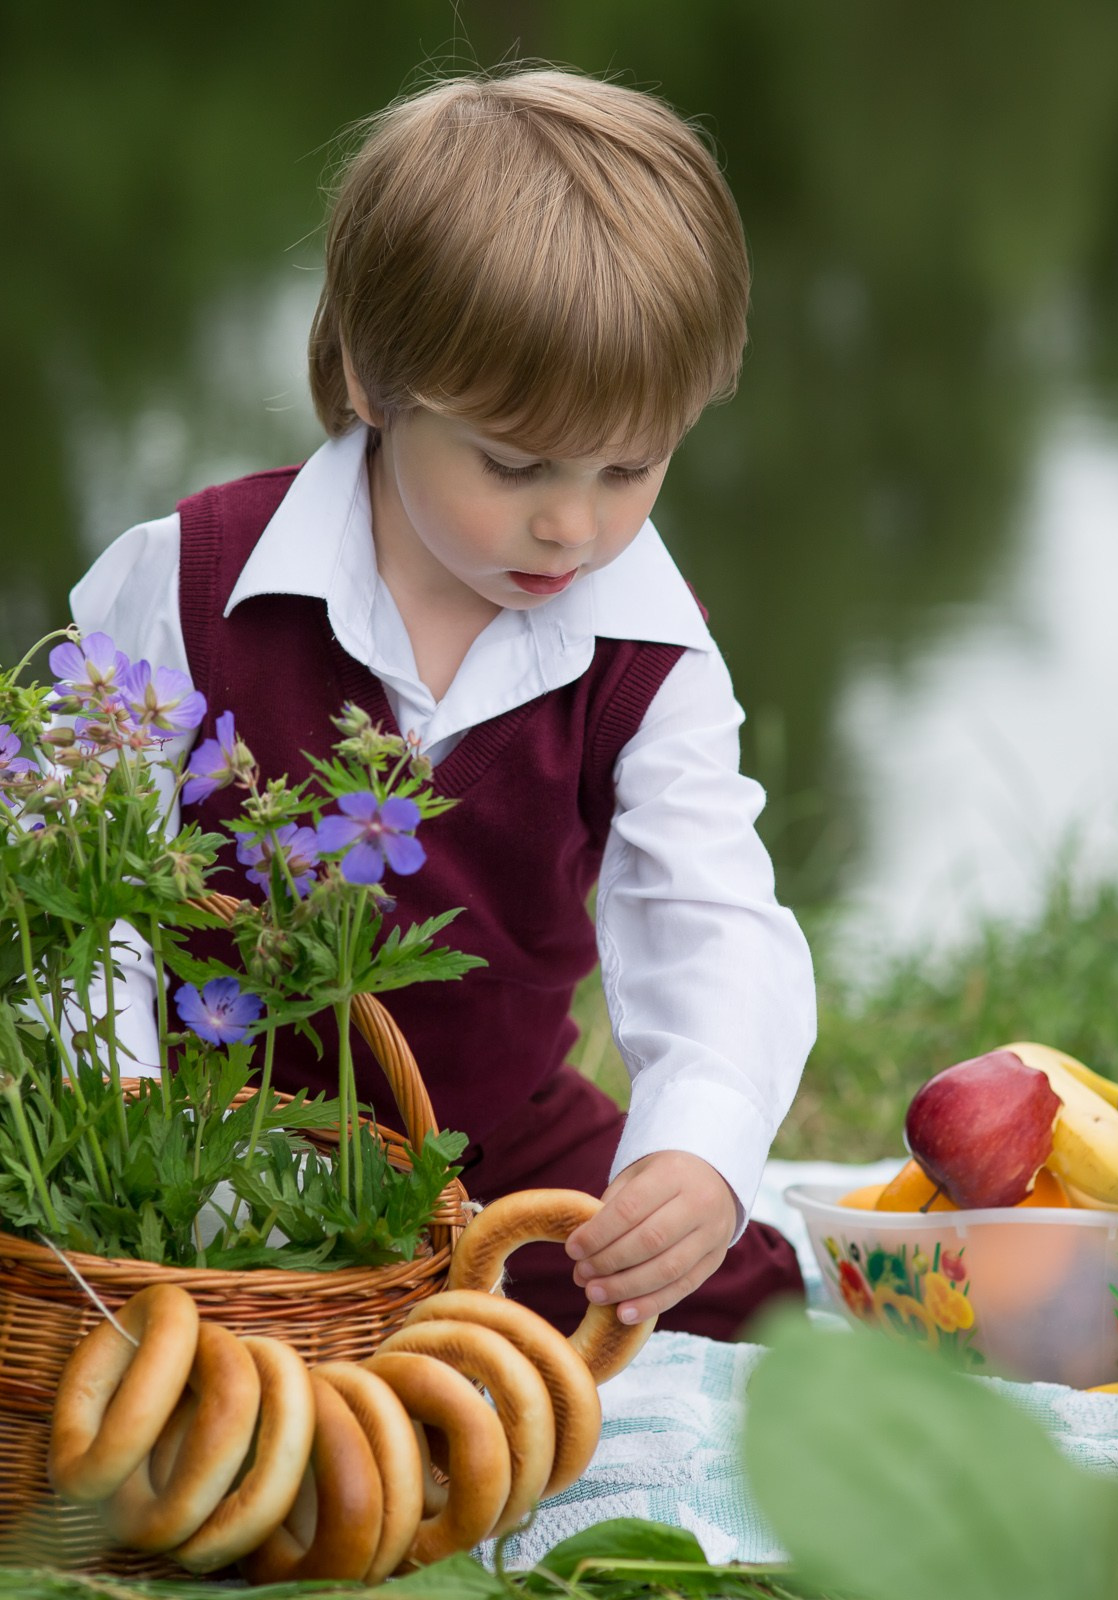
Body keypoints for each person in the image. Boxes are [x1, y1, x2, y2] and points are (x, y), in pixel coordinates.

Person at [68, 67, 812, 1342]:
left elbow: (715, 918)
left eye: (630, 465)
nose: (575, 523)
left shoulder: (649, 651)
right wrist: (117, 1122)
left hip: (483, 1142)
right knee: (122, 1302)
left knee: (746, 1300)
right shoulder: (189, 581)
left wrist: (697, 1151)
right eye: (514, 465)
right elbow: (79, 897)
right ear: (373, 377)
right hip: (196, 1124)